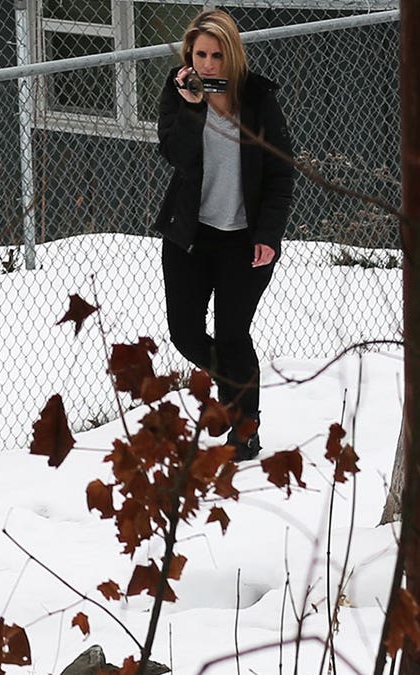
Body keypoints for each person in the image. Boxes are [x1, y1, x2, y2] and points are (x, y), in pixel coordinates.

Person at [154, 9, 295, 461]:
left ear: (231, 54)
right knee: (185, 334)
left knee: (233, 335)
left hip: (245, 240)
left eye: (217, 55)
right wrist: (193, 107)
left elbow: (279, 172)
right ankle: (235, 394)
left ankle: (245, 430)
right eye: (200, 54)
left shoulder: (256, 99)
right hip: (191, 236)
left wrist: (269, 235)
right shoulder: (179, 93)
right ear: (188, 55)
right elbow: (175, 155)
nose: (209, 64)